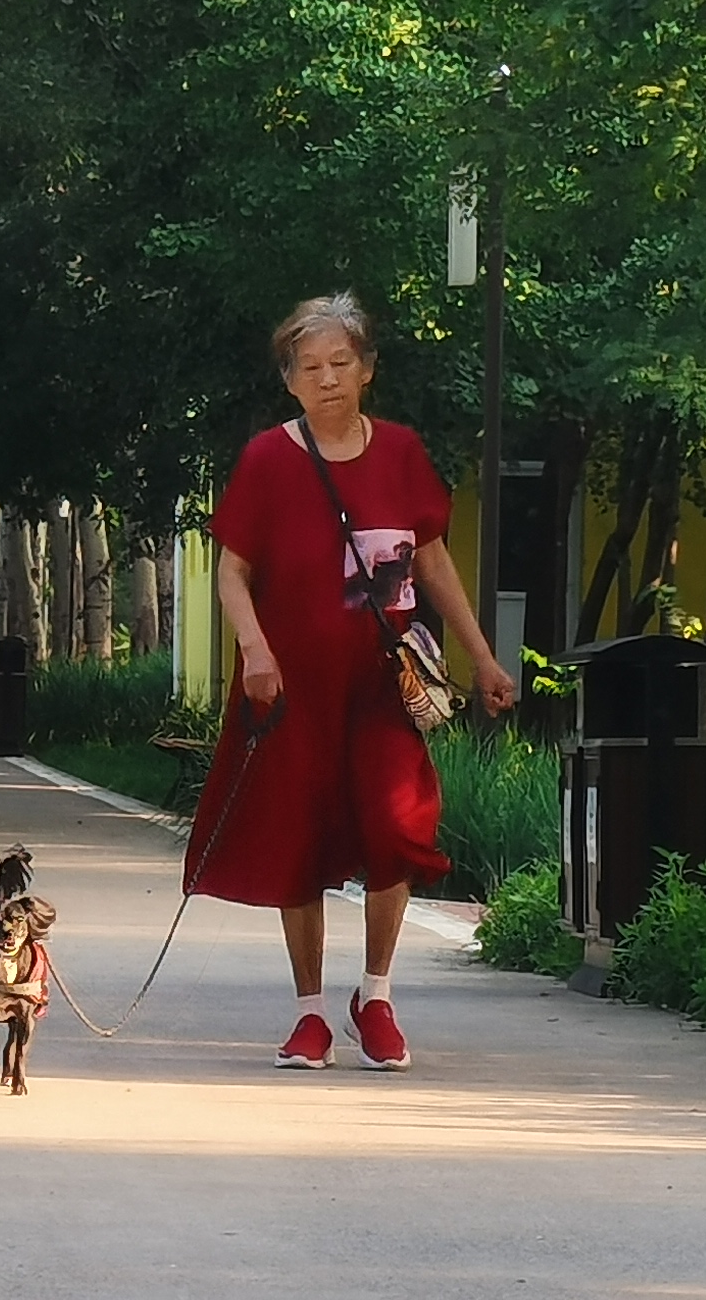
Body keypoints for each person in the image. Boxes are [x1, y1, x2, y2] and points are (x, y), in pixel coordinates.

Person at [186, 292, 512, 1070]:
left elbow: (430, 560)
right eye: (310, 367)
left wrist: (483, 657)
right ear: (290, 381)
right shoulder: (269, 458)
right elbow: (232, 573)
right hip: (291, 684)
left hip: (382, 684)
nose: (327, 378)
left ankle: (376, 994)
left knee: (396, 823)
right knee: (297, 834)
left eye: (342, 363)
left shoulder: (399, 452)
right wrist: (256, 651)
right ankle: (308, 1012)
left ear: (366, 371)